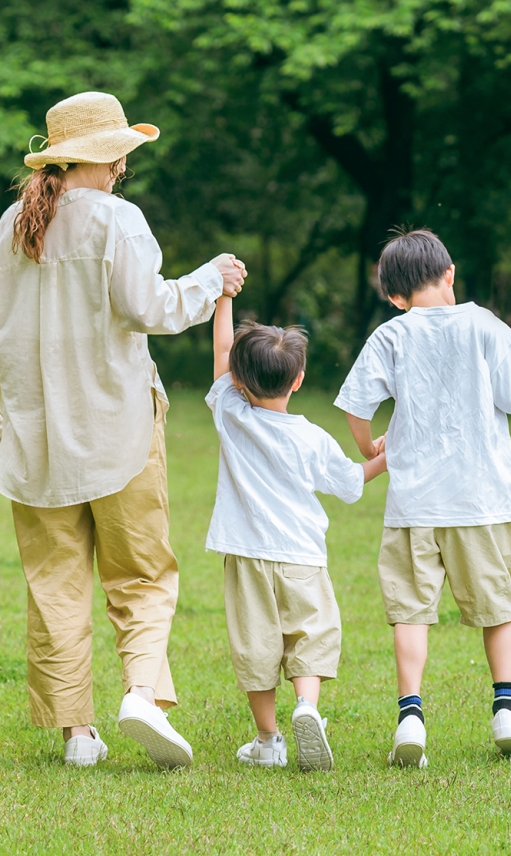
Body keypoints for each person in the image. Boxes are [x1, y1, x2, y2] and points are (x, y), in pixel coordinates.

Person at [0, 91, 247, 769]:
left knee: (54, 583)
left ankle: (77, 734)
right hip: (119, 430)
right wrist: (212, 279)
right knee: (142, 575)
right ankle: (141, 695)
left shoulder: (11, 226)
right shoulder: (119, 221)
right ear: (114, 155)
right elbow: (150, 307)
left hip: (35, 445)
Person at [334, 229, 511, 767]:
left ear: (394, 295)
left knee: (410, 611)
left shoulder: (391, 336)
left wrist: (372, 448)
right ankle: (505, 708)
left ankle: (410, 716)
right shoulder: (485, 325)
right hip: (480, 499)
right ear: (450, 272)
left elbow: (356, 408)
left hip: (413, 502)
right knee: (496, 607)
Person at [206, 294, 387, 772]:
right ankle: (307, 707)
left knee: (256, 646)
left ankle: (268, 741)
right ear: (299, 380)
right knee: (310, 635)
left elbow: (224, 351)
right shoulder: (311, 437)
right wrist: (385, 457)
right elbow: (350, 484)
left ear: (237, 381)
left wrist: (225, 297)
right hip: (303, 556)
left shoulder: (231, 413)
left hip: (246, 554)